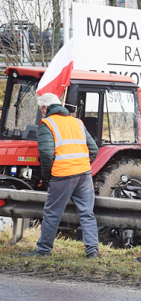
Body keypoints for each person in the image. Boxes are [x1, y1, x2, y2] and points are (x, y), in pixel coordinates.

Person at [20, 93, 99, 258]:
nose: (41, 113)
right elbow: (94, 149)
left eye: (40, 110)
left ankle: (43, 250)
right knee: (87, 212)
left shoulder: (47, 124)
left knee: (52, 212)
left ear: (44, 108)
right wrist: (83, 164)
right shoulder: (77, 122)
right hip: (84, 174)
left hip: (63, 175)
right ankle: (92, 251)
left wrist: (47, 175)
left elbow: (47, 155)